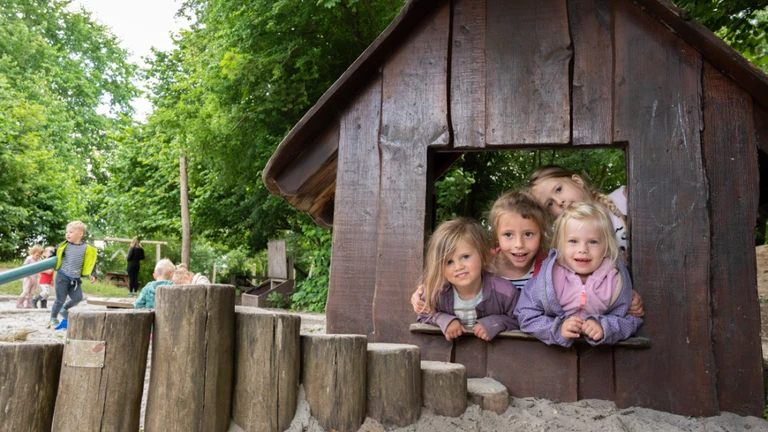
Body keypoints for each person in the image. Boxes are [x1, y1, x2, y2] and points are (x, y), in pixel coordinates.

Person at [515, 203, 643, 347]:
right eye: (573, 241)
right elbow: (525, 314)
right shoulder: (547, 280)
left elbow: (632, 320)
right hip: (552, 355)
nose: (583, 249)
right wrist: (557, 329)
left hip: (602, 357)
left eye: (593, 242)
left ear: (607, 246)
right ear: (561, 245)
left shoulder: (615, 280)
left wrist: (605, 327)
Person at [411, 190, 551, 312]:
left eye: (528, 234)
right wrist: (422, 293)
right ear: (496, 235)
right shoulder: (481, 261)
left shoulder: (549, 269)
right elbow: (445, 279)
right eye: (508, 235)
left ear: (541, 233)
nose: (519, 244)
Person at [416, 218, 520, 342]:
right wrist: (444, 320)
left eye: (465, 257)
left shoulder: (506, 292)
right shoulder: (436, 293)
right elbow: (423, 316)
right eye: (449, 262)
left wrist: (494, 323)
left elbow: (520, 319)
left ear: (482, 255)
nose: (458, 267)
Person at [528, 165, 628, 261]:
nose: (559, 202)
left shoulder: (624, 197)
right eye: (550, 204)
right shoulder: (561, 238)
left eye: (558, 189)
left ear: (577, 181)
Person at [48, 221, 98, 328]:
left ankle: (64, 309)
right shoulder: (64, 245)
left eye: (71, 232)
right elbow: (53, 254)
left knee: (78, 298)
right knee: (60, 299)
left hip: (75, 279)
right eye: (67, 232)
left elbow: (91, 262)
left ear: (80, 234)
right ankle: (53, 318)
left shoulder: (87, 248)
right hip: (62, 277)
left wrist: (93, 274)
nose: (67, 234)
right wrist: (50, 262)